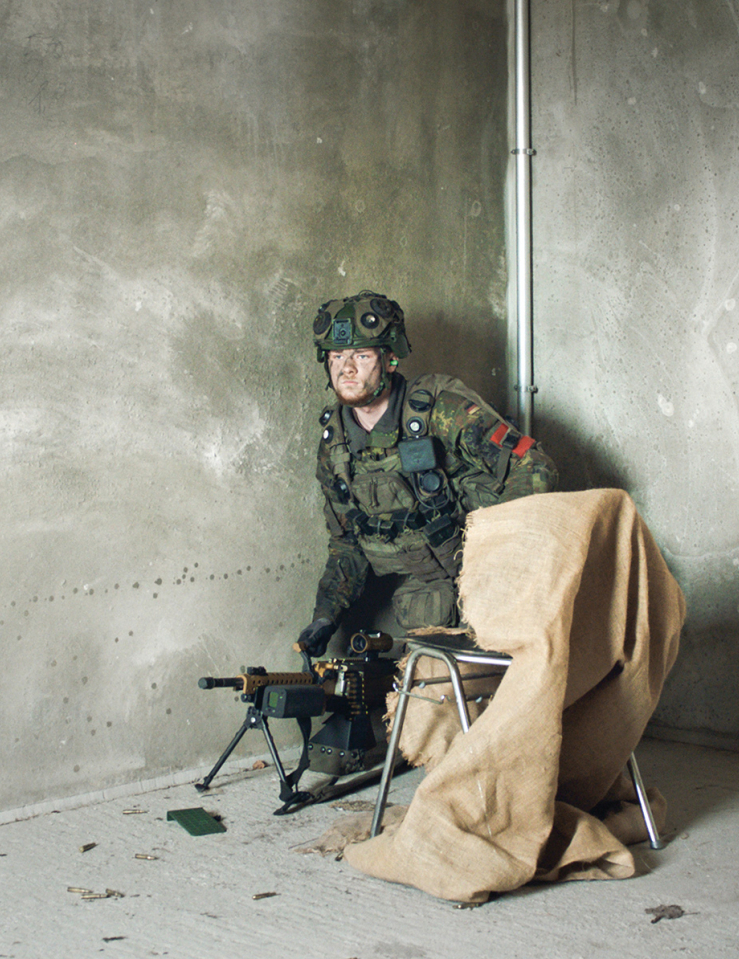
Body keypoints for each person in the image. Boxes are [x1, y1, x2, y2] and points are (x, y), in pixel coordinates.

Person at [297, 290, 558, 657]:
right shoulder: (336, 444)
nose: (347, 369)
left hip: (494, 583)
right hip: (430, 605)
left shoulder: (440, 408)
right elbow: (347, 542)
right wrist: (325, 615)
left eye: (361, 355)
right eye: (337, 356)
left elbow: (533, 467)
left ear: (389, 359)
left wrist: (500, 564)